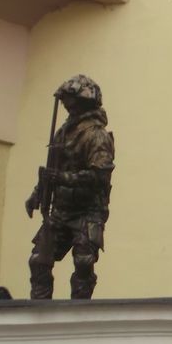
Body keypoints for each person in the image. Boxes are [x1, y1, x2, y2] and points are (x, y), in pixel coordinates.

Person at [25, 74, 115, 299]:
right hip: (61, 210)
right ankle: (40, 310)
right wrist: (37, 194)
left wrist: (62, 178)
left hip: (88, 211)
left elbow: (99, 176)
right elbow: (52, 167)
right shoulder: (63, 133)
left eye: (71, 102)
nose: (67, 106)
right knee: (39, 259)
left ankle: (79, 311)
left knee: (83, 262)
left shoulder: (97, 135)